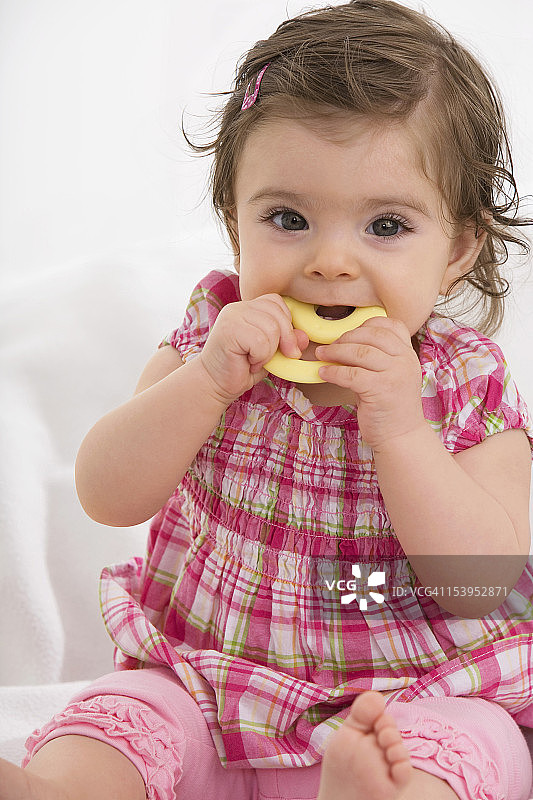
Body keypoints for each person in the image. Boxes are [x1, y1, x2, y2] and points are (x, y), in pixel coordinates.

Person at [2, 1, 533, 798]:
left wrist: (399, 430)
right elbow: (107, 494)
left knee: (471, 746)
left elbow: (476, 586)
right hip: (208, 686)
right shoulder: (213, 339)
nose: (328, 261)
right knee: (126, 715)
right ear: (234, 221)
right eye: (288, 218)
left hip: (408, 701)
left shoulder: (464, 386)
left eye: (385, 225)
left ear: (456, 248)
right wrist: (205, 384)